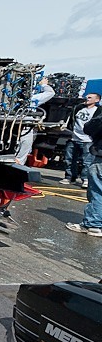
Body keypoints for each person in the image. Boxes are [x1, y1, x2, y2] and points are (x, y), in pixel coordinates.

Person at [66, 79, 102, 236]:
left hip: (100, 154)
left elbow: (90, 127)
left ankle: (92, 225)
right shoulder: (79, 108)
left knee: (97, 191)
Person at [60, 92, 100, 187]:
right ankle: (70, 177)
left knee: (87, 161)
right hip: (74, 137)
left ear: (97, 100)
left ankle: (85, 179)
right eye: (86, 97)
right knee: (69, 159)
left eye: (90, 98)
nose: (87, 99)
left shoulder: (98, 111)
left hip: (88, 140)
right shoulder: (78, 108)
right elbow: (72, 120)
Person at [15, 77, 55, 164]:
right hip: (24, 128)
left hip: (23, 127)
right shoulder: (33, 98)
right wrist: (44, 84)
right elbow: (50, 93)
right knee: (21, 153)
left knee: (21, 152)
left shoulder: (32, 98)